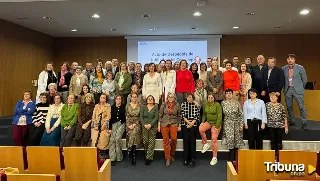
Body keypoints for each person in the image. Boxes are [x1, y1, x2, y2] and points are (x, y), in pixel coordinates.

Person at [282, 54, 308, 130]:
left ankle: (304, 122)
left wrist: (300, 87)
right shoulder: (284, 68)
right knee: (289, 106)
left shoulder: (300, 68)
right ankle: (292, 120)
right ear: (287, 60)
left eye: (292, 59)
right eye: (288, 59)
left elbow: (305, 80)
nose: (290, 60)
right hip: (288, 89)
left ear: (294, 60)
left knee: (301, 107)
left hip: (298, 90)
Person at [158, 93, 181, 167]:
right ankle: (167, 158)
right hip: (164, 124)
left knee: (174, 139)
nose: (170, 98)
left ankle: (172, 154)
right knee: (166, 140)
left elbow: (179, 115)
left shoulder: (177, 105)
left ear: (174, 98)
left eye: (172, 97)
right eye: (169, 97)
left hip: (174, 123)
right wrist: (159, 125)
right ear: (167, 98)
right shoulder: (164, 104)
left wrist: (179, 125)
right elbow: (160, 115)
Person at [221, 89, 244, 161]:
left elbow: (241, 114)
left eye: (230, 93)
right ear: (225, 95)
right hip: (228, 123)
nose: (228, 94)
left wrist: (241, 125)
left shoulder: (237, 103)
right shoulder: (223, 103)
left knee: (237, 140)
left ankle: (236, 159)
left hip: (237, 123)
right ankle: (231, 158)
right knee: (230, 139)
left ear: (232, 94)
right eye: (227, 93)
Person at [199, 94, 222, 165]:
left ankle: (214, 157)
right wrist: (202, 122)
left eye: (211, 97)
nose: (210, 98)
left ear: (214, 98)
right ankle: (205, 143)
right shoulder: (206, 105)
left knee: (214, 139)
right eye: (209, 97)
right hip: (209, 122)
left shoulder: (217, 105)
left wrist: (217, 126)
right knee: (201, 129)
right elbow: (204, 115)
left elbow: (219, 116)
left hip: (216, 123)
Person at [181, 93, 200, 166]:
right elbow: (183, 115)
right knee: (186, 141)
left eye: (190, 97)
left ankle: (192, 158)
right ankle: (186, 158)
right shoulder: (183, 104)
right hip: (185, 124)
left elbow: (197, 115)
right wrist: (188, 123)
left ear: (193, 98)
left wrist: (192, 123)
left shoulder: (195, 105)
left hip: (193, 124)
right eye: (188, 97)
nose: (189, 98)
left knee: (192, 141)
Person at [91, 94, 111, 159]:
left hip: (104, 125)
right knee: (95, 136)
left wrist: (103, 126)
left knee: (103, 137)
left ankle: (103, 152)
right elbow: (93, 116)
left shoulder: (108, 106)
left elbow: (108, 117)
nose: (102, 99)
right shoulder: (96, 106)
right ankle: (97, 152)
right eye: (101, 98)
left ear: (106, 99)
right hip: (96, 125)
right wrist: (96, 126)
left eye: (104, 98)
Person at [140, 95, 159, 165]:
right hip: (144, 126)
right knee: (145, 141)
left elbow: (156, 117)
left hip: (152, 127)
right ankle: (146, 154)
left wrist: (150, 124)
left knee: (151, 142)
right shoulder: (143, 107)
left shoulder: (156, 107)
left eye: (151, 99)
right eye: (149, 99)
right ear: (146, 100)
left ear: (153, 100)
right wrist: (144, 124)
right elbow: (141, 117)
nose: (150, 100)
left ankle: (149, 157)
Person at [108, 95, 126, 166]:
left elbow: (125, 117)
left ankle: (119, 157)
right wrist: (110, 128)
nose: (119, 100)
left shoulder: (124, 107)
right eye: (117, 99)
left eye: (120, 99)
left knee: (117, 139)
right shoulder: (112, 107)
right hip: (113, 124)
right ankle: (112, 158)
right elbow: (110, 119)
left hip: (121, 124)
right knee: (112, 140)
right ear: (115, 100)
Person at [125, 93, 142, 166]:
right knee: (132, 132)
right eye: (133, 97)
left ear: (137, 98)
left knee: (134, 132)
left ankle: (130, 151)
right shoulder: (128, 106)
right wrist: (129, 125)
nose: (134, 98)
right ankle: (133, 153)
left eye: (135, 97)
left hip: (137, 123)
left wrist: (135, 124)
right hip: (129, 123)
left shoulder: (140, 106)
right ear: (131, 98)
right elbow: (126, 116)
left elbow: (141, 117)